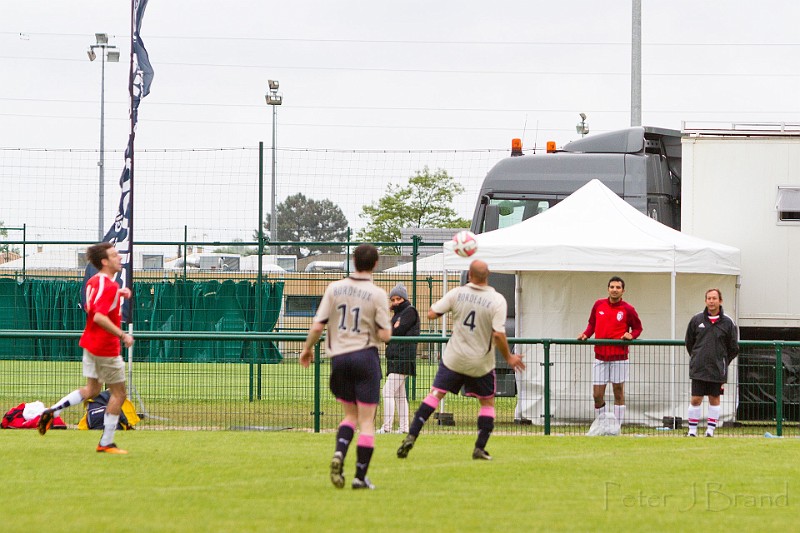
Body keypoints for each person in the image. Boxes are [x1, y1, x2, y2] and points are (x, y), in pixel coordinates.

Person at [397, 260, 525, 461]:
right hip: (480, 362)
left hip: (454, 358)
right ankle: (479, 447)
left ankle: (412, 434)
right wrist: (509, 357)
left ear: (469, 276)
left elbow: (431, 314)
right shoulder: (497, 300)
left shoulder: (457, 293)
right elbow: (499, 334)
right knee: (487, 403)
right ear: (488, 275)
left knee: (435, 395)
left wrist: (446, 310)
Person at [299, 244, 391, 490]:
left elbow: (318, 326)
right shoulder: (377, 293)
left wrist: (307, 349)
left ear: (353, 260)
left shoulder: (334, 288)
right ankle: (360, 477)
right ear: (375, 264)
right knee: (367, 421)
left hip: (339, 359)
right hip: (365, 357)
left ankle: (340, 452)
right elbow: (385, 335)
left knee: (349, 415)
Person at [38, 242, 134, 454]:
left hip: (90, 344)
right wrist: (122, 334)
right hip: (106, 347)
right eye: (114, 255)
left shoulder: (94, 281)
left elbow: (95, 306)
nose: (119, 258)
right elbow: (99, 315)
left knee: (92, 390)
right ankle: (106, 442)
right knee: (119, 394)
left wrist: (119, 294)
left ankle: (53, 411)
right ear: (104, 261)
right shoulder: (109, 286)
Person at [577, 276, 642, 427]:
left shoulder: (628, 309)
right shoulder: (598, 305)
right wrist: (586, 334)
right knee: (597, 394)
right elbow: (592, 324)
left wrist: (631, 335)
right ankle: (602, 425)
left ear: (623, 291)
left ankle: (616, 427)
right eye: (612, 287)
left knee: (618, 391)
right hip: (600, 356)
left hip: (619, 357)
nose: (614, 290)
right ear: (608, 289)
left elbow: (638, 328)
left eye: (618, 287)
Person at [684, 288, 738, 437]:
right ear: (705, 300)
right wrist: (697, 357)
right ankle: (692, 431)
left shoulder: (728, 322)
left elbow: (733, 347)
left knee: (714, 398)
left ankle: (710, 430)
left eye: (714, 298)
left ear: (720, 301)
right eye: (709, 298)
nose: (711, 301)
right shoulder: (696, 320)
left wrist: (722, 361)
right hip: (699, 368)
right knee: (696, 399)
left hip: (717, 369)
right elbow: (689, 342)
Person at [378, 283, 419, 434]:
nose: (395, 302)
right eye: (393, 299)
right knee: (400, 396)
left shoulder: (410, 311)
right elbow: (388, 333)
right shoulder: (397, 315)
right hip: (396, 358)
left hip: (403, 357)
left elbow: (396, 331)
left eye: (398, 299)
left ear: (404, 298)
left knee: (387, 392)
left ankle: (387, 428)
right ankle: (403, 428)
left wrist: (392, 329)